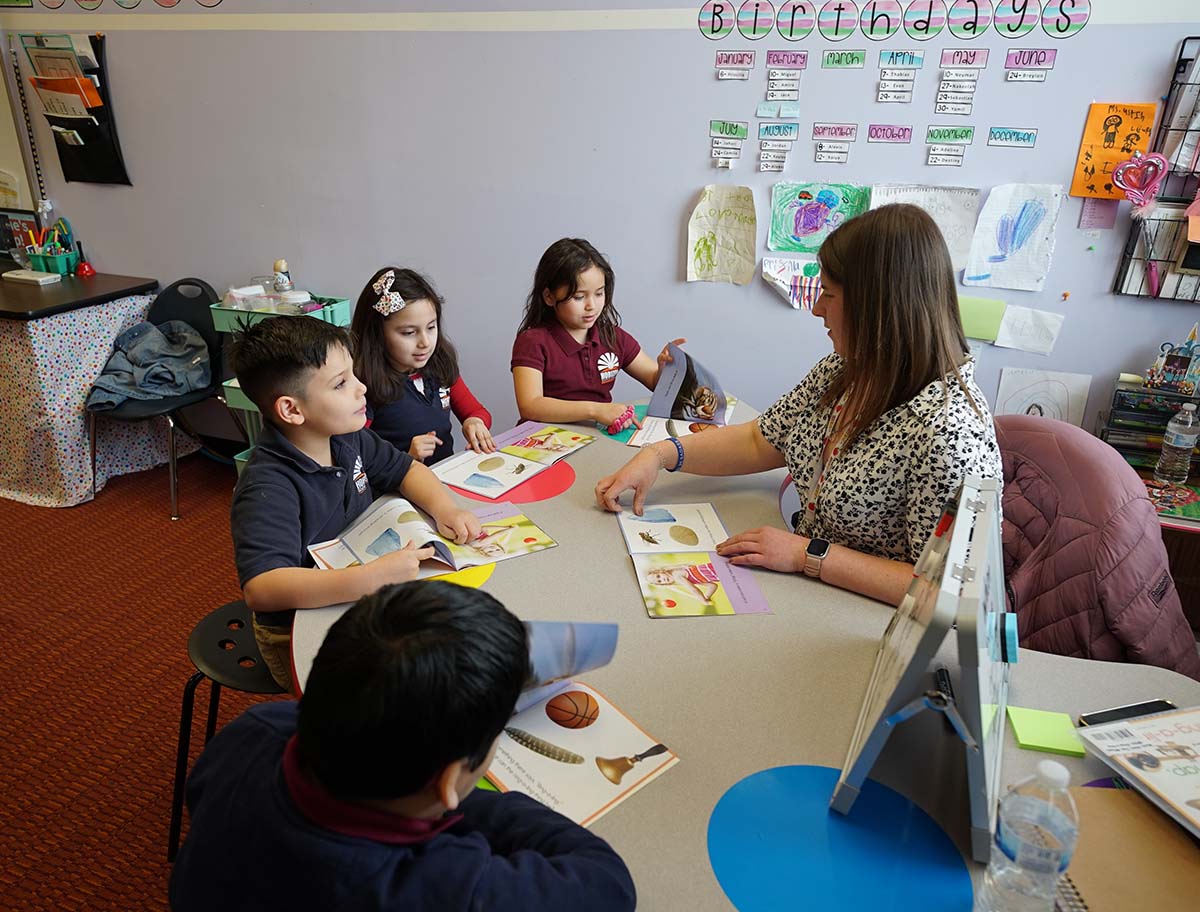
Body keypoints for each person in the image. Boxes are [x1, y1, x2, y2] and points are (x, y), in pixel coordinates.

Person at [596, 204, 1002, 607]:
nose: (817, 308)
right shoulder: (847, 368)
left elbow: (950, 594)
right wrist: (661, 454)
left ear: (878, 306)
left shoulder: (950, 431)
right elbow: (762, 439)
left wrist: (808, 555)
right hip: (809, 590)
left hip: (862, 618)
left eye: (829, 294)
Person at [169, 581, 636, 912]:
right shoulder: (455, 889)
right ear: (449, 780)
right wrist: (460, 806)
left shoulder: (258, 727)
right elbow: (606, 882)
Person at [228, 316, 481, 691]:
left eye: (353, 375)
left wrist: (446, 509)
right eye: (341, 383)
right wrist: (368, 580)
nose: (362, 389)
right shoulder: (269, 485)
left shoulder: (347, 438)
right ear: (292, 410)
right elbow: (263, 588)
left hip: (358, 592)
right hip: (297, 630)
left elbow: (406, 470)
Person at [512, 237, 684, 433]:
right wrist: (596, 410)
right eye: (579, 297)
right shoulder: (532, 341)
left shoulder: (613, 336)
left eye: (599, 293)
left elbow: (654, 380)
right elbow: (530, 405)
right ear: (549, 296)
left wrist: (664, 369)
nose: (591, 306)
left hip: (596, 436)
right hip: (545, 439)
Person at [351, 266, 494, 464]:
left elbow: (475, 411)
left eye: (431, 327)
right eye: (409, 333)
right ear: (377, 334)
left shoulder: (440, 365)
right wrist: (407, 459)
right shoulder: (364, 386)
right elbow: (354, 453)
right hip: (395, 491)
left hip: (443, 479)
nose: (425, 342)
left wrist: (475, 422)